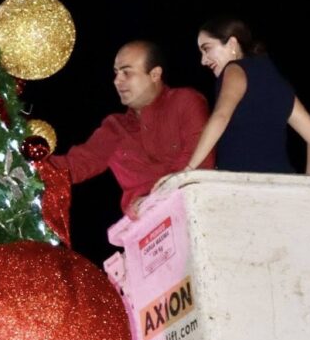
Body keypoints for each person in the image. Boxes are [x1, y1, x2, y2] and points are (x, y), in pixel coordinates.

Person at [50, 39, 214, 218]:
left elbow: (200, 159)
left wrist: (154, 197)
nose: (117, 81)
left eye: (126, 72)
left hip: (200, 212)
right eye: (116, 73)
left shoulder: (185, 101)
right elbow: (74, 165)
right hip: (148, 227)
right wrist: (29, 162)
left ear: (155, 74)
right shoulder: (115, 128)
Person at [182, 15, 310, 174]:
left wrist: (189, 169)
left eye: (207, 48)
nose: (203, 61)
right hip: (282, 182)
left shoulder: (234, 69)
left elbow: (221, 116)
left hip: (242, 184)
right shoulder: (275, 79)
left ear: (232, 43)